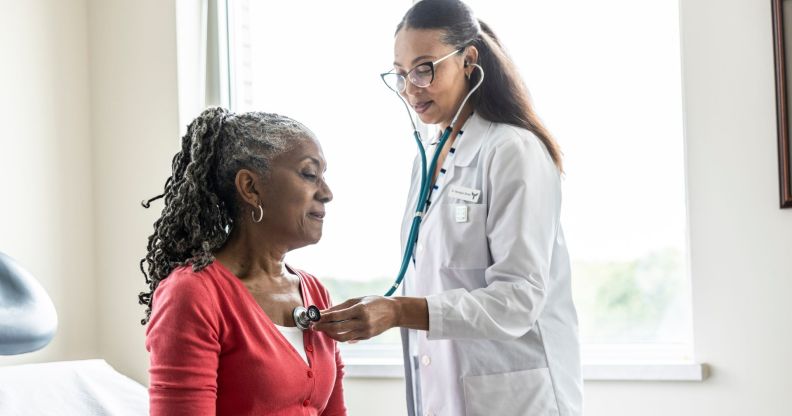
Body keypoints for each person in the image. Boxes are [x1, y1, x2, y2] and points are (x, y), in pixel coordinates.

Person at [313, 1, 582, 415]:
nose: (410, 88)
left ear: (468, 60)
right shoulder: (429, 154)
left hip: (515, 398)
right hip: (445, 391)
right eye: (401, 75)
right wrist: (384, 308)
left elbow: (520, 298)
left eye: (424, 68)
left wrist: (399, 311)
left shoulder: (512, 150)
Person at [140, 107, 346, 416]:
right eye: (309, 174)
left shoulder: (314, 292)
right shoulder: (192, 294)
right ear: (250, 187)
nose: (327, 193)